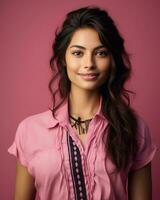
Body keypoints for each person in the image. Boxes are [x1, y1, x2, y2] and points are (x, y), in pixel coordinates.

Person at [8, 6, 158, 200]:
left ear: (112, 60)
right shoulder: (29, 131)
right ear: (63, 58)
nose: (89, 63)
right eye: (78, 53)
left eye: (101, 53)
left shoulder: (134, 127)